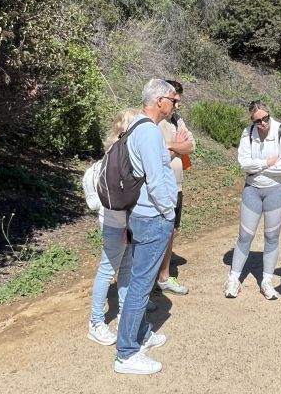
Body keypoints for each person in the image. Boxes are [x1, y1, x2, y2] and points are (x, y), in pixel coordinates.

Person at [113, 79, 179, 375]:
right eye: (174, 100)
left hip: (138, 214)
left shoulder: (135, 126)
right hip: (152, 217)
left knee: (138, 280)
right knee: (141, 285)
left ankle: (139, 334)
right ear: (159, 100)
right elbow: (156, 178)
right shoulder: (150, 132)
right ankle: (126, 353)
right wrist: (168, 213)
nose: (176, 105)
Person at [84, 108, 156, 346]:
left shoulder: (107, 159)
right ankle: (96, 322)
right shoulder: (121, 159)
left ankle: (126, 321)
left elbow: (93, 198)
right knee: (108, 271)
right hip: (119, 225)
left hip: (121, 224)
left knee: (123, 271)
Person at [224, 100, 281, 300]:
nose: (263, 123)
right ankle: (233, 278)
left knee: (271, 237)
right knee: (245, 236)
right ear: (252, 121)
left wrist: (257, 167)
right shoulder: (247, 133)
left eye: (266, 118)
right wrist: (266, 162)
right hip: (252, 189)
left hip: (278, 191)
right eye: (258, 121)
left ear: (270, 115)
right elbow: (243, 164)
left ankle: (267, 280)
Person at [155, 79, 195, 296]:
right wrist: (176, 147)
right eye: (174, 101)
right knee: (156, 232)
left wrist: (171, 145)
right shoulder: (154, 123)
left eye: (178, 101)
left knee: (172, 231)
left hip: (177, 186)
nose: (177, 106)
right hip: (160, 186)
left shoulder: (177, 120)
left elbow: (191, 145)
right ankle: (148, 279)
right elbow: (158, 157)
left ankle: (163, 276)